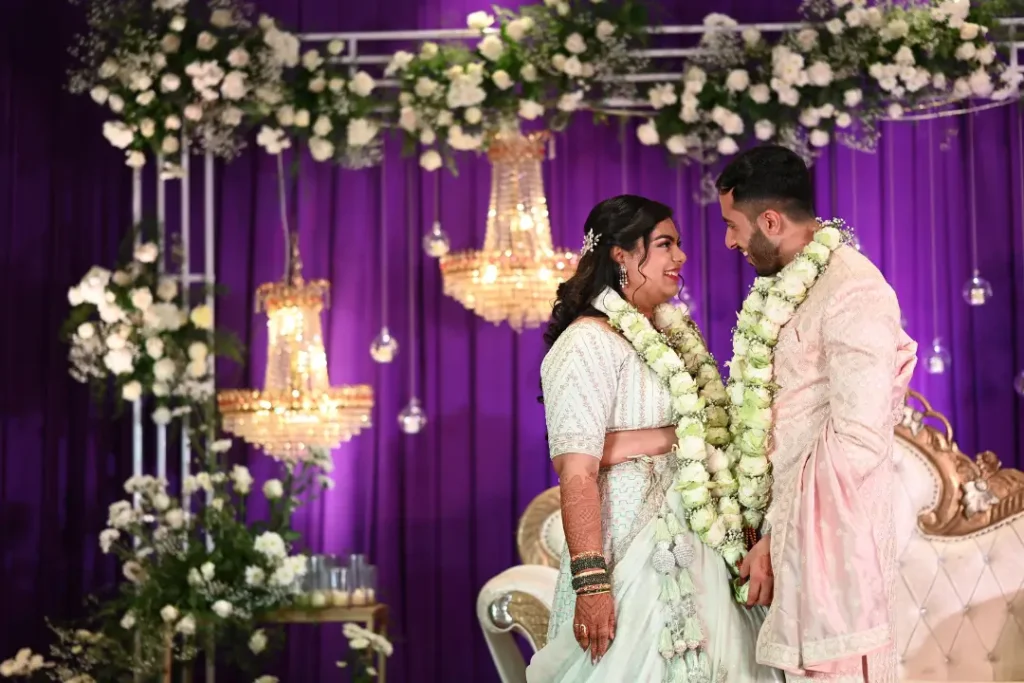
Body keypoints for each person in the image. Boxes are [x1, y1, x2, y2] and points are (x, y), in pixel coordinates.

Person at [526, 195, 781, 683]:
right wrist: (593, 582)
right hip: (629, 559)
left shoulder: (672, 336)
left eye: (679, 244)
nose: (680, 257)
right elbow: (577, 471)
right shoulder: (586, 342)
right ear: (620, 254)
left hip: (698, 543)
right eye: (665, 244)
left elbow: (702, 428)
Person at [716, 145, 918, 683]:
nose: (729, 241)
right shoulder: (784, 287)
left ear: (771, 220)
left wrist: (781, 538)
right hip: (782, 544)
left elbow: (858, 438)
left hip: (833, 554)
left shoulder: (855, 289)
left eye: (733, 226)